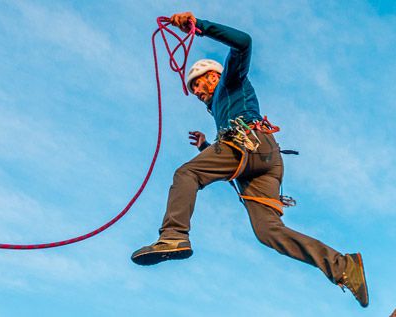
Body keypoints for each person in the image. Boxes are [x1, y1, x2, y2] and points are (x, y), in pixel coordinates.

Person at [132, 12, 369, 307]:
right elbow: (225, 143)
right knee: (268, 232)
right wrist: (206, 145)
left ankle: (173, 235)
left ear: (213, 76)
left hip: (251, 146)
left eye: (197, 83)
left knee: (186, 174)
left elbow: (244, 42)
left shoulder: (229, 82)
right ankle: (343, 266)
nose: (195, 90)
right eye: (192, 87)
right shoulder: (219, 105)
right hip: (261, 161)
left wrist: (200, 26)